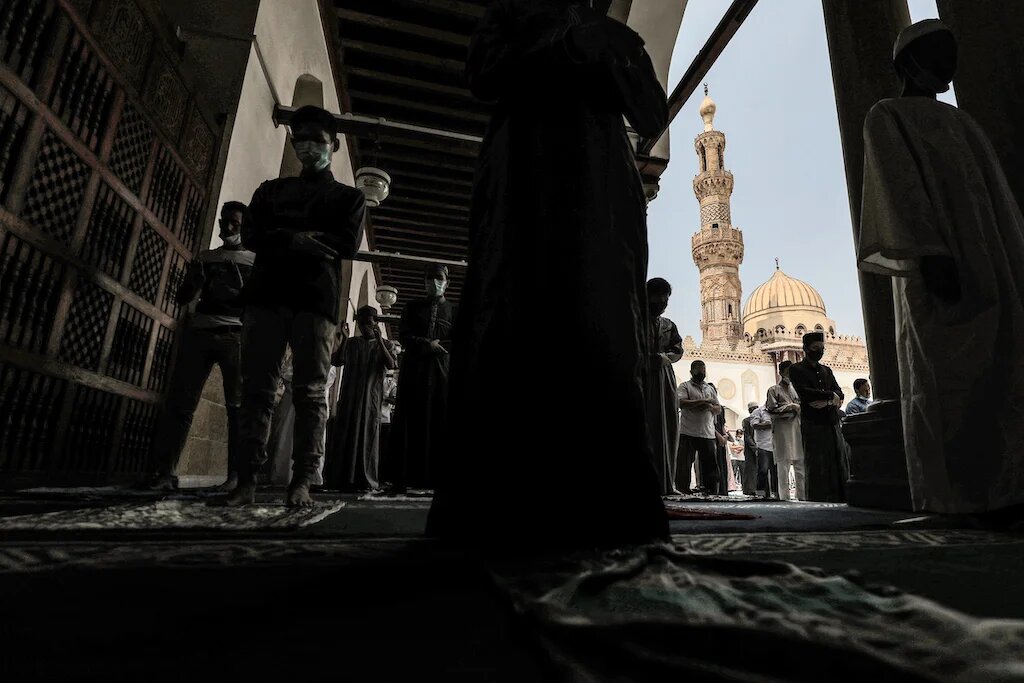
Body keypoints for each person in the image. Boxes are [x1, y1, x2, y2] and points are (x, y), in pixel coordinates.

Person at [427, 0, 670, 548]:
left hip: (602, 199)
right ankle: (501, 510)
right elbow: (483, 77)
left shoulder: (614, 33)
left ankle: (610, 511)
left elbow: (652, 114)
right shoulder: (509, 18)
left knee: (602, 333)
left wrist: (617, 57)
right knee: (516, 326)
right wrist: (563, 49)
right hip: (525, 189)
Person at [858, 21, 1024, 515]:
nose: (948, 67)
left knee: (1001, 367)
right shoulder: (886, 116)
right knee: (944, 376)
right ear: (907, 62)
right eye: (936, 54)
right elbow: (899, 188)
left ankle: (1004, 487)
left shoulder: (963, 122)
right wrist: (929, 253)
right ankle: (954, 493)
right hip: (936, 263)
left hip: (990, 258)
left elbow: (995, 199)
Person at [229, 105, 367, 508]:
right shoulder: (271, 190)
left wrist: (281, 235)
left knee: (309, 392)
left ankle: (302, 480)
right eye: (300, 139)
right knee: (257, 389)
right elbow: (252, 233)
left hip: (315, 301)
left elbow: (345, 243)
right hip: (268, 295)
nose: (307, 148)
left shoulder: (349, 197)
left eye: (316, 140)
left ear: (334, 145)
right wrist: (297, 240)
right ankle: (247, 480)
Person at [145, 201, 253, 491]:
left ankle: (235, 478)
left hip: (235, 336)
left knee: (236, 409)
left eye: (235, 224)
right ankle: (164, 473)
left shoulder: (254, 261)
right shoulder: (206, 257)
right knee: (181, 404)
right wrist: (195, 282)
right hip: (200, 332)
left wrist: (242, 286)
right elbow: (182, 298)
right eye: (224, 221)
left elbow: (257, 307)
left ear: (246, 228)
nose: (227, 228)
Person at [387, 265, 456, 493]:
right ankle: (406, 478)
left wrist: (440, 346)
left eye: (439, 278)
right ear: (424, 282)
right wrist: (427, 344)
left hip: (441, 373)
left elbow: (459, 339)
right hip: (415, 372)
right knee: (412, 420)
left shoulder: (453, 311)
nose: (434, 282)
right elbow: (405, 335)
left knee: (439, 419)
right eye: (429, 278)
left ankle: (436, 478)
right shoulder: (412, 307)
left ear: (447, 282)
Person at [326, 306, 398, 492]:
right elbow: (336, 361)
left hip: (370, 399)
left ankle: (364, 480)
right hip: (350, 397)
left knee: (367, 437)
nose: (364, 327)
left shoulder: (387, 344)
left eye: (368, 323)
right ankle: (342, 479)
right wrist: (343, 339)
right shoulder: (352, 343)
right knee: (346, 435)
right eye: (361, 323)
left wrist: (380, 340)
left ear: (375, 323)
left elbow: (390, 364)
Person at [788, 333, 847, 502]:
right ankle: (818, 498)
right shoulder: (796, 369)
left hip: (831, 422)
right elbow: (806, 394)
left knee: (836, 460)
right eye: (815, 348)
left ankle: (839, 497)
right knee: (817, 462)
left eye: (821, 348)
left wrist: (827, 401)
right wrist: (831, 397)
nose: (819, 351)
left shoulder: (826, 370)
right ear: (806, 349)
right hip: (813, 423)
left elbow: (840, 392)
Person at [646, 278, 683, 496]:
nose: (663, 301)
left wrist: (663, 358)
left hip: (664, 378)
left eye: (666, 298)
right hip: (643, 375)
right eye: (659, 296)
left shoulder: (669, 325)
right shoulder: (636, 320)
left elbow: (677, 350)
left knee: (667, 426)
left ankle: (666, 483)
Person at [676, 361, 721, 494]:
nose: (701, 373)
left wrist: (710, 407)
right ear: (691, 372)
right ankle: (683, 490)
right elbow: (681, 403)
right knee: (684, 464)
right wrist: (703, 402)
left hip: (707, 433)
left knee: (710, 465)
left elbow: (718, 408)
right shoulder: (685, 386)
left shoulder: (710, 388)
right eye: (698, 370)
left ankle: (712, 491)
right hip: (688, 431)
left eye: (703, 370)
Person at [766, 360, 806, 501]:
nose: (790, 375)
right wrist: (789, 407)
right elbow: (771, 410)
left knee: (800, 466)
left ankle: (802, 498)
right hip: (782, 432)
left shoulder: (797, 389)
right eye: (787, 372)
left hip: (797, 430)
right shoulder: (774, 390)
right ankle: (784, 498)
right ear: (781, 373)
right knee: (783, 467)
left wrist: (796, 407)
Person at [749, 403, 777, 499]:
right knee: (763, 470)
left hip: (777, 445)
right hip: (763, 445)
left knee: (776, 471)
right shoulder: (758, 412)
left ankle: (776, 493)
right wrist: (768, 424)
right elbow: (754, 425)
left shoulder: (777, 411)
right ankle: (761, 494)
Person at [709, 383, 731, 495]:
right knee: (713, 465)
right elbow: (708, 425)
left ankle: (723, 491)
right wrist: (720, 437)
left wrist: (725, 436)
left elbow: (722, 424)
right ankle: (714, 491)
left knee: (723, 465)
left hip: (721, 439)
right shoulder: (707, 408)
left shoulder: (721, 408)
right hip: (711, 438)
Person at [739, 402, 758, 495]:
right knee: (750, 470)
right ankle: (749, 490)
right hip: (751, 450)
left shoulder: (760, 419)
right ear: (749, 411)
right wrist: (755, 448)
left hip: (760, 448)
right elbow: (747, 437)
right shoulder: (746, 421)